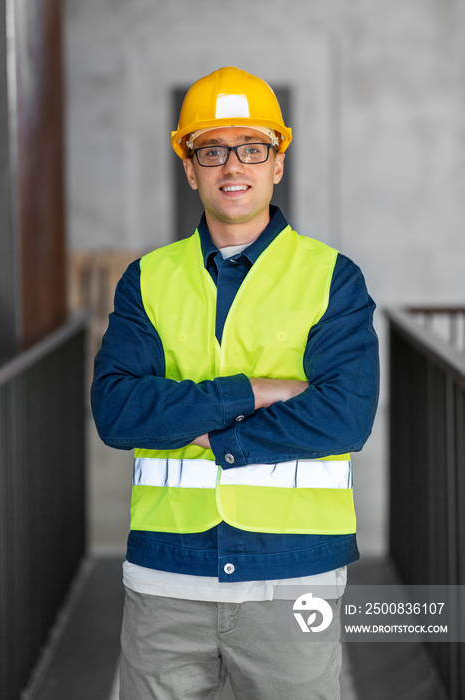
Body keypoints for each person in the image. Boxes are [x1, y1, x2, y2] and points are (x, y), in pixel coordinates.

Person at [91, 66, 379, 700]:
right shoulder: (148, 279)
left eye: (252, 148)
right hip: (168, 575)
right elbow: (116, 411)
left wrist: (203, 434)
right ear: (190, 167)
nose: (232, 167)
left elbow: (345, 417)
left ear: (278, 162)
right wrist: (252, 389)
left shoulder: (333, 278)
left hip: (292, 576)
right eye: (212, 150)